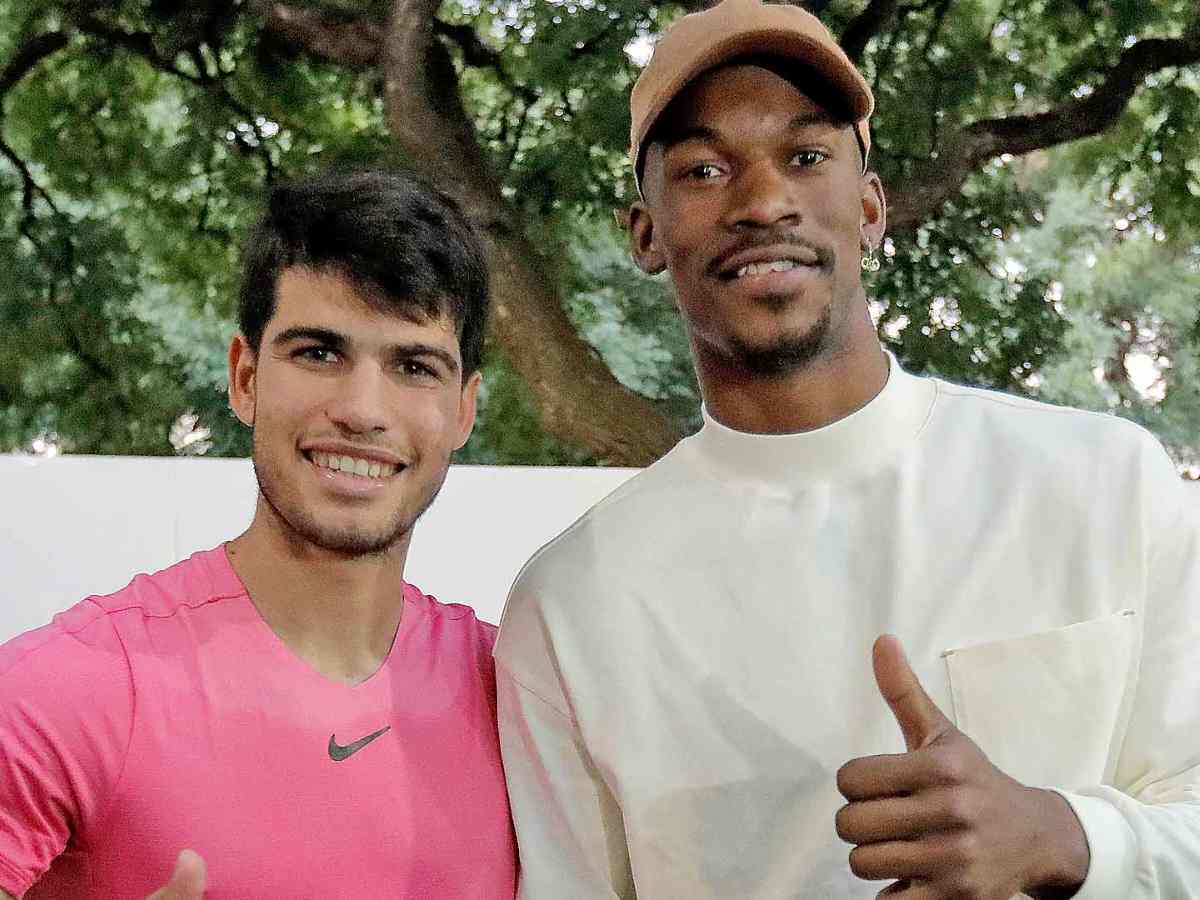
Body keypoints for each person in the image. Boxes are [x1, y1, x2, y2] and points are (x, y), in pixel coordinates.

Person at [493, 1, 1200, 897]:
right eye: (706, 169)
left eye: (806, 156)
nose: (763, 202)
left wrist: (1063, 834)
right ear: (645, 235)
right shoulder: (571, 603)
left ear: (869, 210)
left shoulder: (1104, 484)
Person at [0, 170, 518, 899]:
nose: (363, 410)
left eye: (414, 366)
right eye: (318, 353)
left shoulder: (522, 696)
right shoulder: (68, 689)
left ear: (463, 410)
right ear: (245, 378)